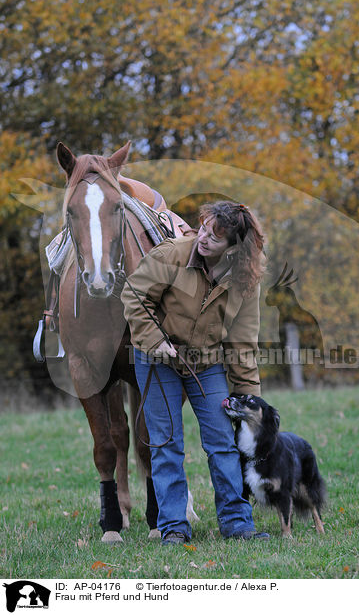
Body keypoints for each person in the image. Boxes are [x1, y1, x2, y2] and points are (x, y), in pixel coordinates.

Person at [121, 200, 268, 545]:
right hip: (157, 359)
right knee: (166, 443)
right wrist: (154, 338)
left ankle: (237, 523)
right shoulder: (172, 255)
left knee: (222, 443)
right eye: (203, 227)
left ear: (234, 249)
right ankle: (174, 526)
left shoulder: (246, 278)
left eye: (215, 237)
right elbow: (134, 296)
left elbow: (243, 340)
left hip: (206, 364)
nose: (202, 238)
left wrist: (250, 399)